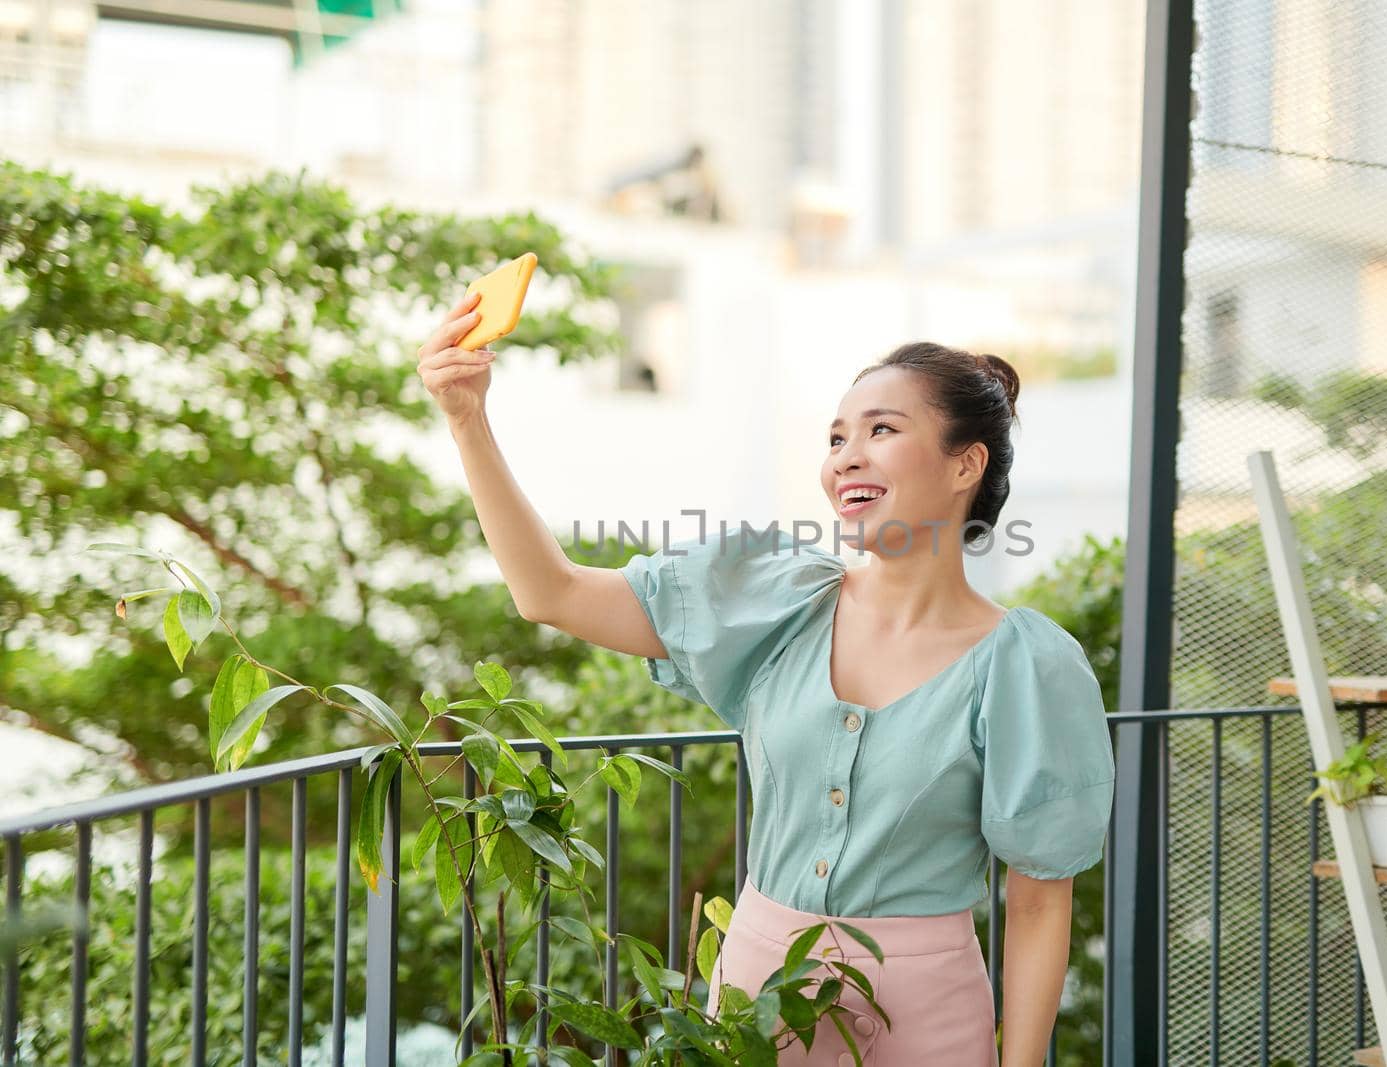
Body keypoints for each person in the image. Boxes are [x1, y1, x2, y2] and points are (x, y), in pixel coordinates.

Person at [416, 290, 1117, 1066]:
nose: (846, 455)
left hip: (927, 1017)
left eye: (882, 430)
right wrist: (466, 419)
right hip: (755, 998)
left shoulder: (1026, 665)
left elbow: (1041, 898)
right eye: (836, 436)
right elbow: (551, 592)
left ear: (965, 462)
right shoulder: (776, 602)